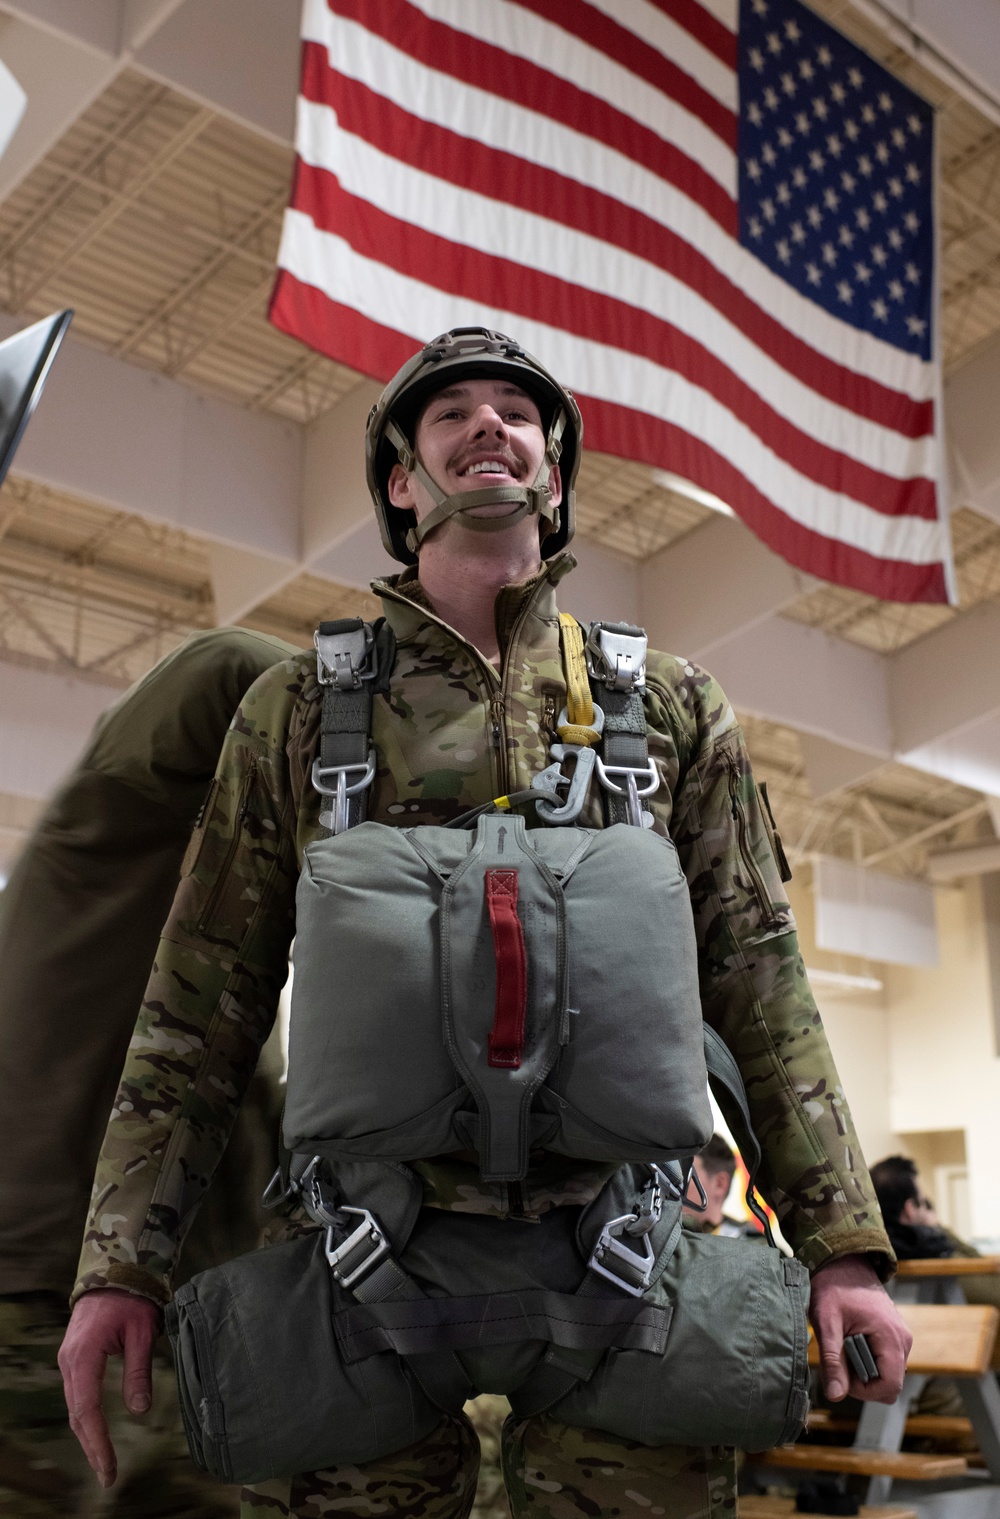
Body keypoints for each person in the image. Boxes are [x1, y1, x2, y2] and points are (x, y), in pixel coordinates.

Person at [58, 329, 911, 1519]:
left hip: (625, 1264)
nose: (488, 425)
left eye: (518, 411)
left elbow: (758, 983)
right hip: (359, 1270)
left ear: (553, 476)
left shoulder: (666, 707)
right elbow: (196, 1005)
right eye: (448, 411)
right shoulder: (298, 712)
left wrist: (845, 1248)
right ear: (403, 483)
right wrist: (121, 1265)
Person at [0, 627, 295, 1516]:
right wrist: (379, 717)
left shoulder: (230, 960)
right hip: (40, 1303)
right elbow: (224, 667)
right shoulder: (104, 845)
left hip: (177, 1336)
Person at [681, 1134, 762, 1239]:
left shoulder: (755, 1251)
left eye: (683, 1175)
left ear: (720, 1184)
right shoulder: (659, 1237)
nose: (672, 1184)